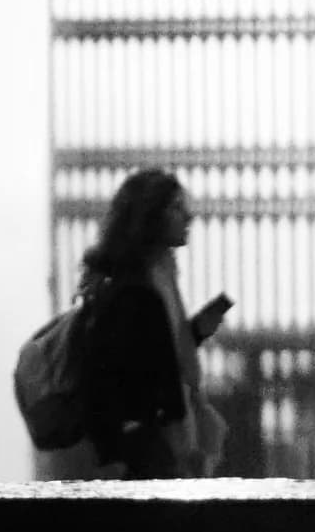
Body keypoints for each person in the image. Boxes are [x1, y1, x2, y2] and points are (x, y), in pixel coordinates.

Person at [73, 166, 228, 478]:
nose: (188, 216)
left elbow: (156, 354)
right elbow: (119, 374)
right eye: (175, 208)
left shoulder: (158, 279)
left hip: (158, 443)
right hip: (148, 450)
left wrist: (195, 331)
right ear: (150, 216)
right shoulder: (133, 291)